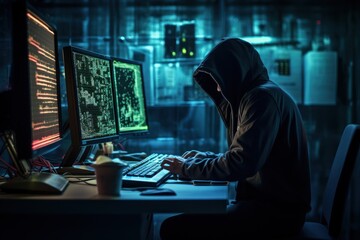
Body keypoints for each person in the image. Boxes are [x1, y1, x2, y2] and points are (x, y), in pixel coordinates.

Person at [160, 38, 311, 239]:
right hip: (273, 208)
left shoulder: (260, 99)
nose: (218, 89)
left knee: (171, 228)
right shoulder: (260, 94)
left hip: (276, 216)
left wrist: (186, 167)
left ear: (234, 74)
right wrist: (202, 158)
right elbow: (247, 155)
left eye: (220, 80)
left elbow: (242, 163)